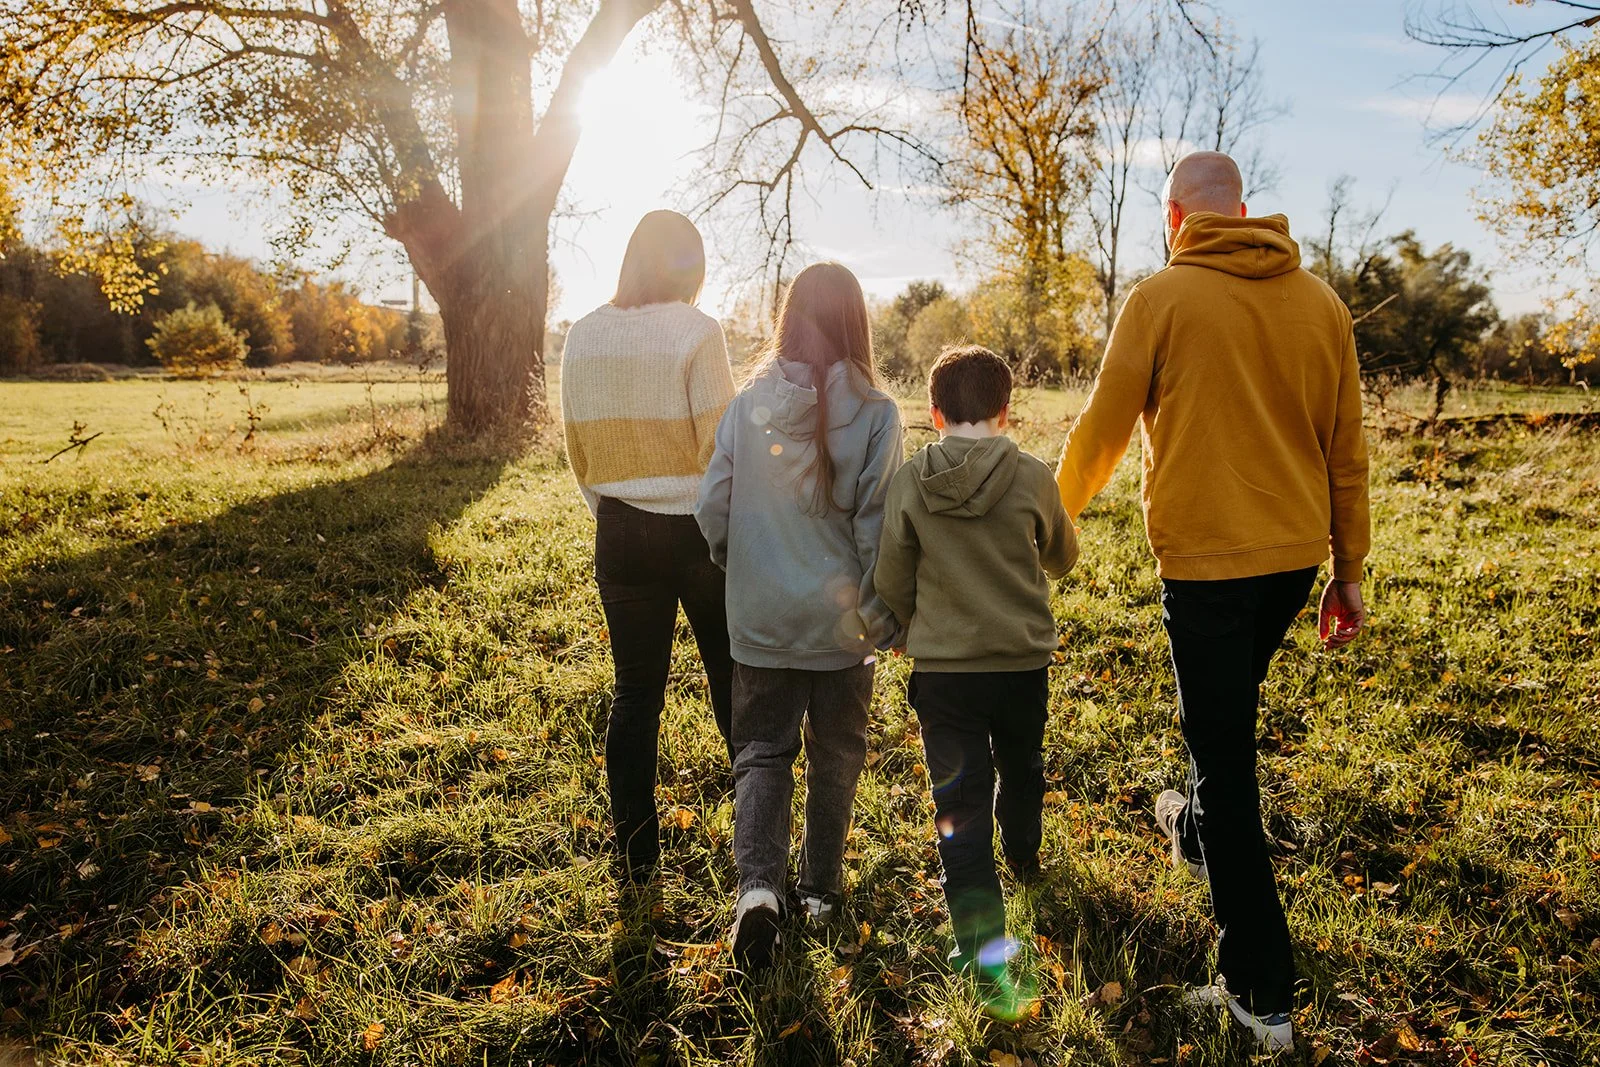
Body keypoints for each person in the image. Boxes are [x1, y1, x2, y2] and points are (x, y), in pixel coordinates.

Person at [1056, 151, 1370, 1050]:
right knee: (1223, 717)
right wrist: (1349, 569)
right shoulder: (1323, 304)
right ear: (1240, 209)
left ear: (1175, 218)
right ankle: (1191, 826)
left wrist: (1045, 523)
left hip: (1204, 568)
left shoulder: (1160, 297)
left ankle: (1260, 993)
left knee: (1224, 759)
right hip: (1294, 564)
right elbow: (1347, 449)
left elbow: (1102, 430)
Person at [695, 262, 904, 971]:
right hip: (845, 630)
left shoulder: (746, 404)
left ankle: (759, 890)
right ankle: (817, 890)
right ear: (857, 323)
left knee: (761, 751)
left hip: (761, 624)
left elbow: (712, 508)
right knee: (836, 754)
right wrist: (885, 616)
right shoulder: (877, 413)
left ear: (788, 319)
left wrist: (745, 569)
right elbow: (879, 530)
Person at [873, 345, 1077, 1009]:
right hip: (1021, 664)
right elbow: (1062, 557)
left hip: (945, 673)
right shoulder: (1033, 476)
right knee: (1022, 766)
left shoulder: (911, 481)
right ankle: (1023, 853)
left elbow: (890, 576)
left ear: (934, 413)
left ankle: (978, 943)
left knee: (958, 807)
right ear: (1005, 411)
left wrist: (906, 623)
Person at [560, 209, 737, 887]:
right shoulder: (698, 331)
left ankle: (636, 857)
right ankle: (760, 840)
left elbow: (578, 449)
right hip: (697, 531)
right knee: (732, 681)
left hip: (620, 528)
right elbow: (722, 451)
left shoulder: (583, 334)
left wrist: (613, 513)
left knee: (636, 694)